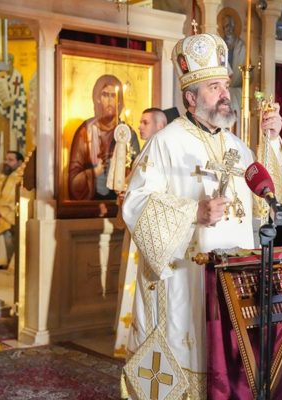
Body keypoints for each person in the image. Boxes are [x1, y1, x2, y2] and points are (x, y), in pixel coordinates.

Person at [121, 32, 282, 400]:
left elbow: (267, 203)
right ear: (191, 98)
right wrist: (193, 212)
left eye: (225, 86)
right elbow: (135, 204)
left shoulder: (238, 147)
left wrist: (271, 140)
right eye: (214, 87)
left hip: (233, 280)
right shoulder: (165, 143)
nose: (224, 94)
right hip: (185, 279)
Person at [113, 107, 166, 357]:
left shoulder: (162, 153)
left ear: (160, 126)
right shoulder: (144, 153)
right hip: (135, 229)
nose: (140, 126)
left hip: (148, 231)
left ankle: (139, 344)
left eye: (145, 122)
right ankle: (127, 340)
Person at [68, 74, 140, 200]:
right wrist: (95, 171)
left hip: (120, 202)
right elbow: (73, 183)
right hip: (90, 205)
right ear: (97, 99)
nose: (110, 100)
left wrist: (121, 167)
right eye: (105, 95)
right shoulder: (85, 132)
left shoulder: (128, 133)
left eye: (113, 96)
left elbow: (138, 173)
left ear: (119, 101)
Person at [0, 151, 23, 270]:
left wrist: (0, 212)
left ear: (19, 162)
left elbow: (15, 199)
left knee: (2, 230)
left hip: (11, 215)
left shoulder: (21, 178)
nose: (6, 162)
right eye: (6, 159)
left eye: (10, 160)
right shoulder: (1, 177)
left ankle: (3, 262)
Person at [0, 53, 27, 159]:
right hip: (5, 116)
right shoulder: (3, 79)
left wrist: (13, 103)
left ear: (11, 62)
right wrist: (2, 104)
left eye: (7, 62)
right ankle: (4, 160)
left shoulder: (18, 77)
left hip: (15, 116)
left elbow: (21, 97)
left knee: (14, 140)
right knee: (4, 139)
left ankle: (15, 161)